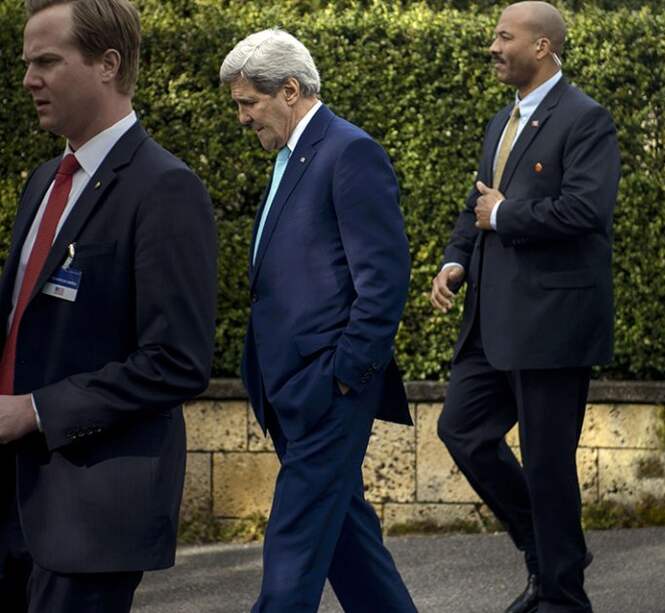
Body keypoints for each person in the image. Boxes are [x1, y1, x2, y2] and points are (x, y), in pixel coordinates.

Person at [0, 0, 217, 611]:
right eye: (26, 62)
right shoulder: (44, 181)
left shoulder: (166, 188)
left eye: (46, 61)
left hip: (88, 510)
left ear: (107, 64)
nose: (28, 79)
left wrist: (34, 412)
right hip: (14, 495)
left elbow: (177, 360)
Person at [430, 2, 619, 611]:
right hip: (491, 321)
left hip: (553, 325)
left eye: (503, 36)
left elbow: (587, 211)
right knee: (461, 430)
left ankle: (563, 597)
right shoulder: (499, 123)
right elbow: (477, 205)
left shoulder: (587, 120)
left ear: (542, 47)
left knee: (547, 465)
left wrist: (505, 215)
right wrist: (456, 260)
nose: (492, 46)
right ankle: (546, 550)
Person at [221, 28, 416, 613]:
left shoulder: (348, 150)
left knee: (294, 549)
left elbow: (383, 281)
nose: (241, 118)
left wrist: (342, 376)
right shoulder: (294, 154)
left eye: (247, 103)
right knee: (349, 543)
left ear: (288, 89)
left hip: (327, 388)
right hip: (290, 388)